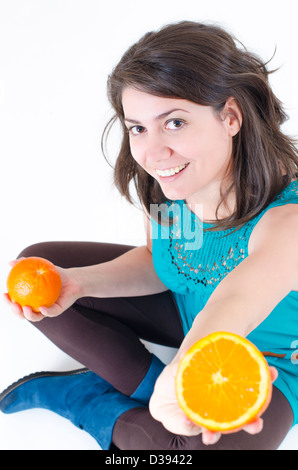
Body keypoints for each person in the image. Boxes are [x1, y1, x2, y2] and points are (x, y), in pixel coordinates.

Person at [1, 20, 298, 450]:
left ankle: (89, 402)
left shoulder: (287, 220)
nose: (152, 152)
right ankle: (147, 390)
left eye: (175, 122)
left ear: (230, 117)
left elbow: (238, 302)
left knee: (176, 455)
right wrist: (77, 284)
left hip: (267, 364)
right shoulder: (171, 187)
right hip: (188, 314)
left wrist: (186, 372)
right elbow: (162, 262)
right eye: (138, 127)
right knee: (43, 269)